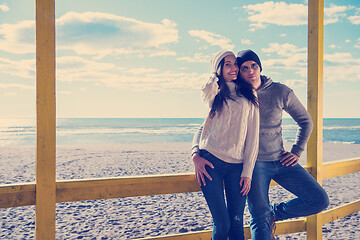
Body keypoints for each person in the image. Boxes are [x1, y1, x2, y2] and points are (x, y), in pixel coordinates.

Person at [191, 49, 329, 240]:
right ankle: (266, 216)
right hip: (254, 165)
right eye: (244, 68)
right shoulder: (234, 94)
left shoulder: (280, 91)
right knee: (258, 218)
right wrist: (195, 153)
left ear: (260, 67)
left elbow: (306, 122)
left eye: (253, 66)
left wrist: (297, 151)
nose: (250, 71)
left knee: (319, 200)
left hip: (281, 160)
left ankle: (275, 213)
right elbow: (208, 126)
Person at [191, 50, 259, 240]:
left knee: (237, 223)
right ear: (219, 68)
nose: (234, 68)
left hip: (237, 167)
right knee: (222, 224)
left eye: (234, 63)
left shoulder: (249, 94)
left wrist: (248, 172)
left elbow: (253, 137)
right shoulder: (215, 93)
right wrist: (195, 155)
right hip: (210, 163)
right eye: (227, 64)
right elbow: (206, 93)